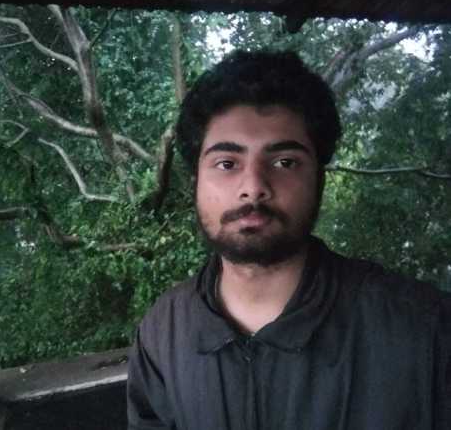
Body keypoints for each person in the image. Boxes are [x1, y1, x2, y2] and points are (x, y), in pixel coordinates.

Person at [126, 50, 451, 430]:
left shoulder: (427, 332)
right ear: (196, 181)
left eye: (285, 162)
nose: (253, 187)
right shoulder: (162, 333)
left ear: (319, 178)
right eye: (227, 164)